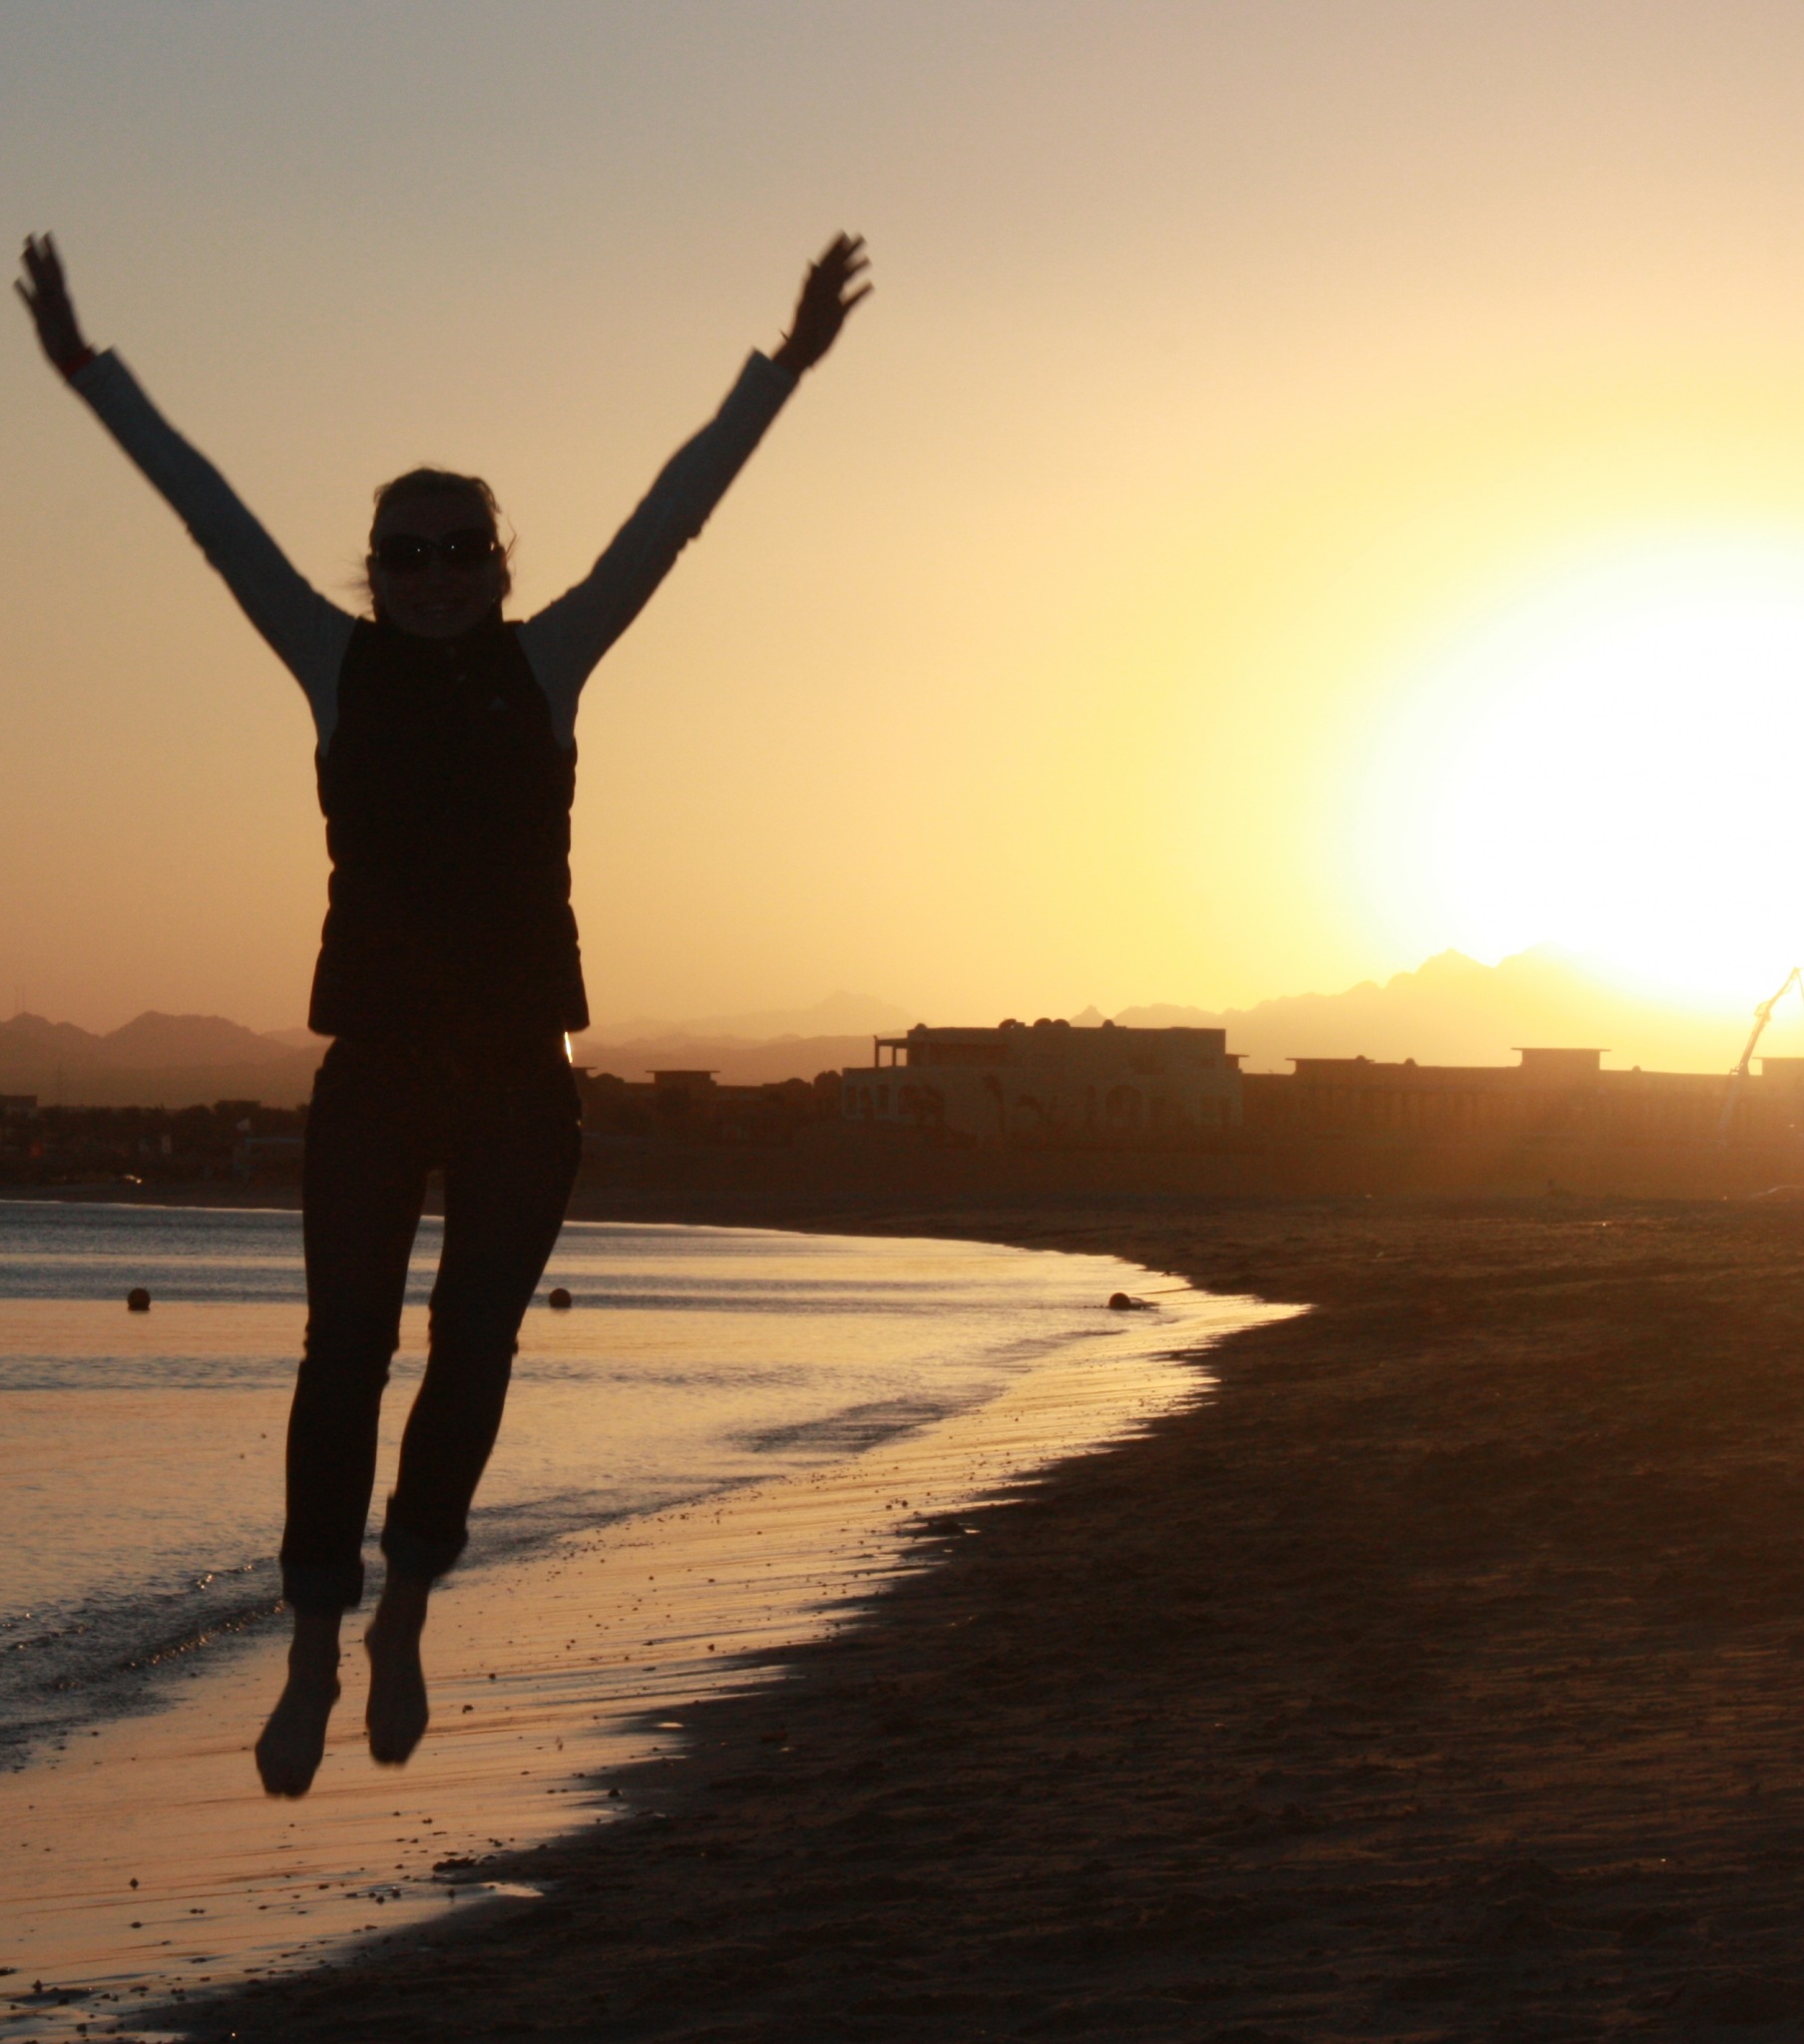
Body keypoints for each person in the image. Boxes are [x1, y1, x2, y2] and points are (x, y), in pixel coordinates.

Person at [16, 229, 870, 1797]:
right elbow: (207, 513)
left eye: (457, 547)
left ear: (498, 563)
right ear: (370, 573)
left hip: (523, 1083)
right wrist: (83, 369)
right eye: (402, 554)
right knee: (342, 1349)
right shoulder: (330, 663)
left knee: (471, 1345)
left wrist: (786, 366)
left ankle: (406, 1601)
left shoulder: (549, 663)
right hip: (374, 1071)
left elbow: (670, 519)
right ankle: (312, 1643)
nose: (430, 575)